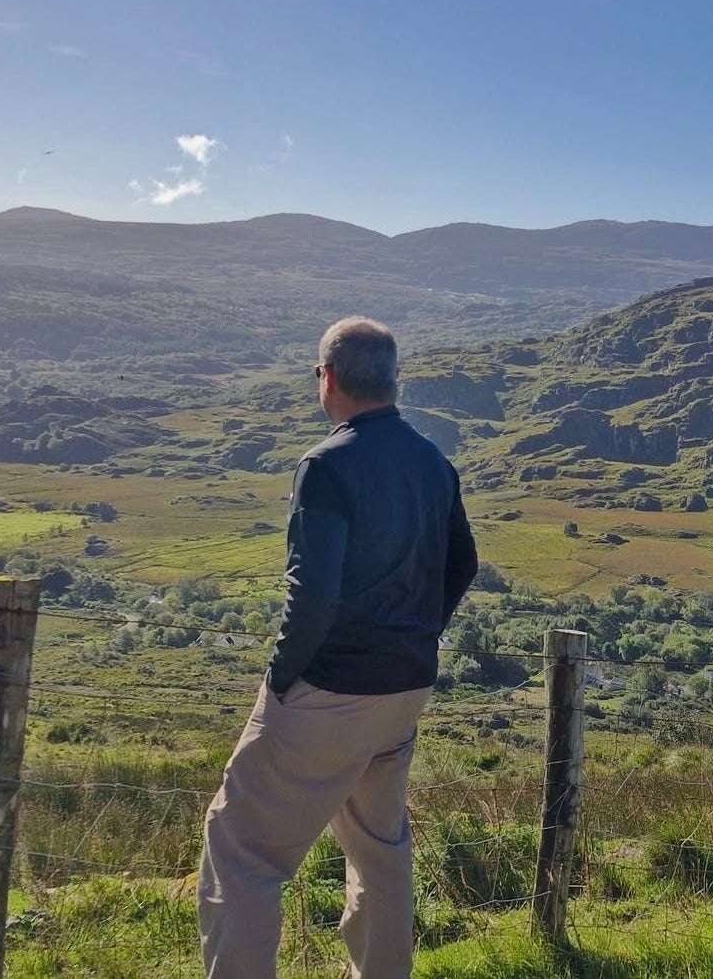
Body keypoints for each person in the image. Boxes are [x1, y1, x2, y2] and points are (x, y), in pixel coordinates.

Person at [198, 317, 479, 979]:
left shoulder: (326, 465)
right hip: (405, 687)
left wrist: (281, 681)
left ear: (326, 378)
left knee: (241, 853)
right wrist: (414, 636)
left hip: (330, 689)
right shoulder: (432, 462)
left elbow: (314, 597)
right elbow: (463, 564)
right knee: (381, 851)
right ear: (392, 380)